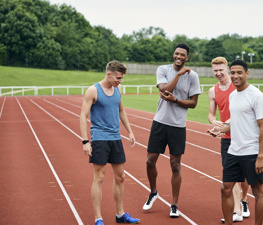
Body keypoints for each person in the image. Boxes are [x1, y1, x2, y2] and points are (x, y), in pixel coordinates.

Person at [142, 43, 201, 217]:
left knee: (175, 165)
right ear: (173, 54)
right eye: (177, 54)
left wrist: (176, 101)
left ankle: (174, 204)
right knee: (149, 161)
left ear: (187, 57)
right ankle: (153, 192)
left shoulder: (193, 76)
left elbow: (194, 103)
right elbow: (165, 90)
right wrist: (179, 74)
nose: (179, 57)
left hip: (178, 126)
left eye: (183, 55)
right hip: (160, 122)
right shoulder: (163, 69)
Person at [80, 61, 140, 225]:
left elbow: (121, 110)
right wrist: (85, 141)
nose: (120, 81)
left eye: (121, 78)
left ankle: (120, 215)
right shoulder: (93, 90)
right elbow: (83, 116)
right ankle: (98, 218)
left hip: (116, 138)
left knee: (120, 177)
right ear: (109, 74)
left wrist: (130, 131)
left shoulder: (117, 89)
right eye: (118, 77)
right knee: (99, 178)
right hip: (99, 138)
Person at [211, 59, 263, 225]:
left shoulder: (257, 96)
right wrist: (219, 131)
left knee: (257, 192)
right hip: (234, 151)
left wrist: (260, 156)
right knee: (225, 188)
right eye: (233, 72)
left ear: (247, 73)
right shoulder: (232, 95)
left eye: (239, 72)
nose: (235, 76)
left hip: (252, 152)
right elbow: (235, 123)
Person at [207, 57, 250, 223]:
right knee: (230, 174)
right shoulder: (213, 91)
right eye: (215, 71)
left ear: (227, 69)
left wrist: (224, 125)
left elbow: (241, 112)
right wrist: (214, 122)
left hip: (242, 136)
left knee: (244, 177)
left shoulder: (237, 87)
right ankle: (237, 210)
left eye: (221, 70)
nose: (218, 73)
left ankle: (244, 200)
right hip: (226, 138)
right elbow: (211, 114)